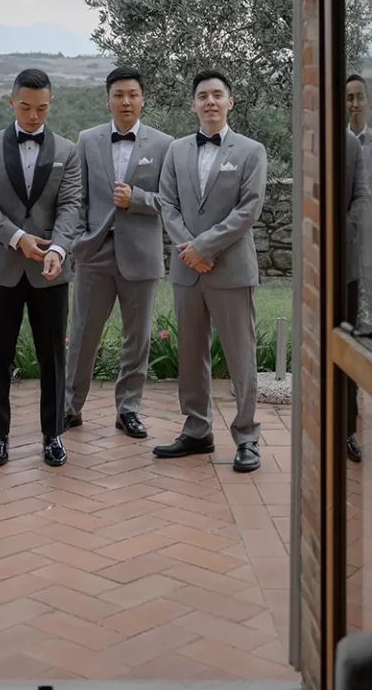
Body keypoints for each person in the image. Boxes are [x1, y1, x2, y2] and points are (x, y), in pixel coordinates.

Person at [154, 70, 267, 473]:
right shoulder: (176, 150)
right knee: (190, 356)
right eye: (203, 96)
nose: (210, 102)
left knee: (241, 357)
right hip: (188, 272)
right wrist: (190, 251)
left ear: (230, 102)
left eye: (218, 95)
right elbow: (167, 204)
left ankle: (248, 436)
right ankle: (196, 429)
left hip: (231, 270)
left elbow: (248, 210)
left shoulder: (252, 151)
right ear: (193, 104)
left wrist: (204, 247)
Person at [0, 68, 81, 469]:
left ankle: (52, 435)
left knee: (53, 356)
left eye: (42, 108)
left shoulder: (67, 151)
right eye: (25, 107)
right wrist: (17, 237)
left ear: (51, 104)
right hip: (3, 266)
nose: (34, 116)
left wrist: (60, 249)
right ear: (11, 102)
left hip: (51, 270)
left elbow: (71, 206)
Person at [63, 68, 172, 439]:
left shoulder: (163, 144)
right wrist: (78, 240)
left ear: (142, 99)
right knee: (82, 335)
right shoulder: (87, 139)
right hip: (94, 252)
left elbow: (170, 202)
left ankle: (128, 410)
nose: (126, 101)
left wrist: (136, 200)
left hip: (141, 256)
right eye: (118, 94)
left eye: (133, 94)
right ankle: (70, 406)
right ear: (107, 99)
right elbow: (76, 196)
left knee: (137, 338)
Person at [345, 73, 372, 335]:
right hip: (347, 239)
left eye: (359, 96)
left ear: (369, 102)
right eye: (349, 97)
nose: (354, 103)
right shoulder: (336, 143)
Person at [343, 124, 370, 462]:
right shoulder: (307, 136)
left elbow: (363, 196)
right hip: (310, 268)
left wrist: (343, 230)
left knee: (346, 348)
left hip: (344, 267)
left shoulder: (351, 145)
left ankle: (347, 429)